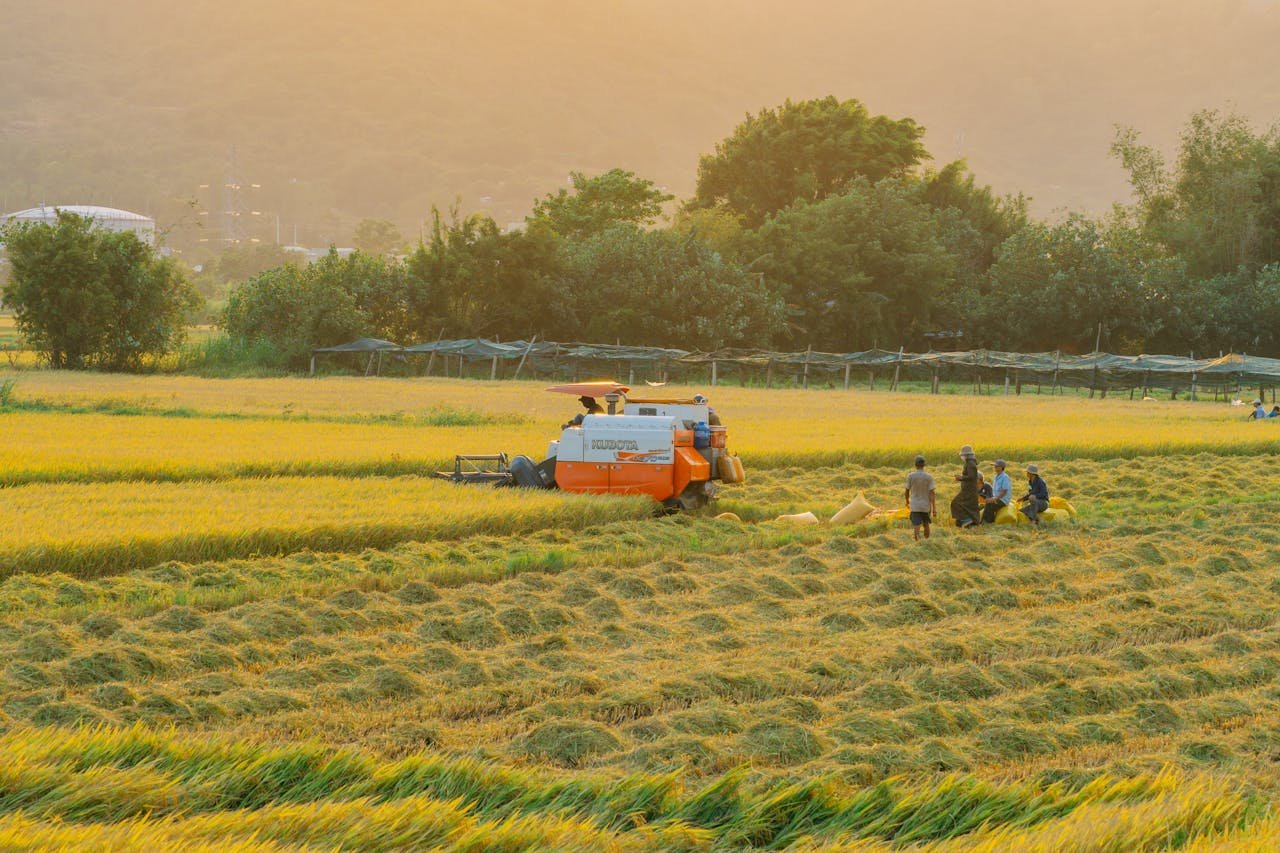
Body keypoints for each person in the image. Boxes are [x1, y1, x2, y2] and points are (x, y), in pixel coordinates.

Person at [904, 455, 937, 540]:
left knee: (916, 525)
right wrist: (934, 508)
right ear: (924, 465)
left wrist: (907, 501)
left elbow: (907, 490)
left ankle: (917, 541)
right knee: (926, 524)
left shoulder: (910, 476)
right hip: (925, 505)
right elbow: (932, 493)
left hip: (914, 504)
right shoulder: (929, 477)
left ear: (915, 464)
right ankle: (926, 541)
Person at [950, 445, 981, 528]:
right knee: (967, 506)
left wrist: (961, 478)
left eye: (963, 455)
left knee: (956, 503)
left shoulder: (971, 464)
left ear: (967, 455)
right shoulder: (969, 463)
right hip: (967, 489)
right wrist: (961, 478)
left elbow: (972, 477)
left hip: (969, 490)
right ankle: (963, 522)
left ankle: (966, 521)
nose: (962, 457)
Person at [982, 459, 1012, 524]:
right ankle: (985, 520)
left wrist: (995, 498)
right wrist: (991, 498)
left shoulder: (1005, 477)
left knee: (990, 504)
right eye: (994, 466)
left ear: (1001, 467)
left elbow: (1004, 491)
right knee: (987, 501)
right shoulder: (996, 476)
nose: (994, 468)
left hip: (1003, 499)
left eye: (996, 466)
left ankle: (987, 522)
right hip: (997, 497)